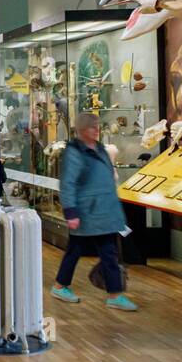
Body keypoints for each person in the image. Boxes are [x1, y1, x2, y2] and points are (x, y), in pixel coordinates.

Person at [51, 113, 137, 311]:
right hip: (86, 212)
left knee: (107, 252)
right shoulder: (75, 152)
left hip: (104, 211)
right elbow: (68, 183)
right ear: (82, 130)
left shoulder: (99, 149)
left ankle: (114, 294)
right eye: (91, 126)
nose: (96, 129)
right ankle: (60, 286)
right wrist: (71, 211)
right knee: (77, 250)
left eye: (97, 126)